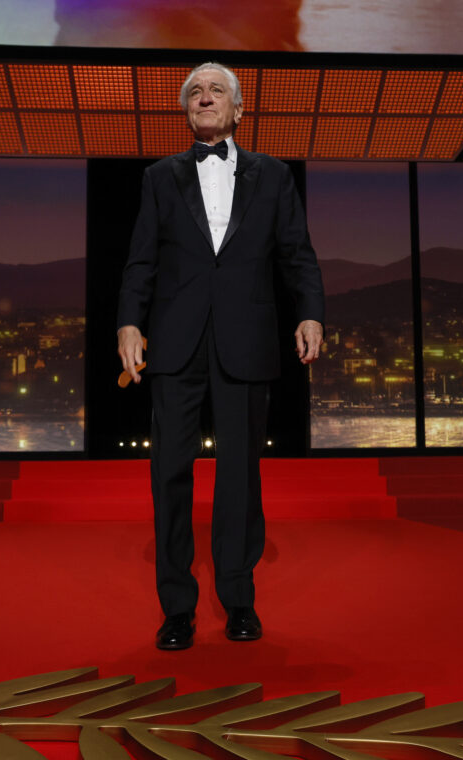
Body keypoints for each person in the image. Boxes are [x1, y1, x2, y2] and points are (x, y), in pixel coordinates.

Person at [117, 62, 324, 650]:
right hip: (174, 341)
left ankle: (239, 600)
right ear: (187, 110)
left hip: (246, 338)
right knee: (169, 473)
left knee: (239, 474)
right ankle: (177, 608)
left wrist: (310, 312)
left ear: (237, 109)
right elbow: (140, 260)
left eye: (215, 91)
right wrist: (129, 323)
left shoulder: (274, 175)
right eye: (194, 92)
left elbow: (297, 253)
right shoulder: (159, 177)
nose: (204, 98)